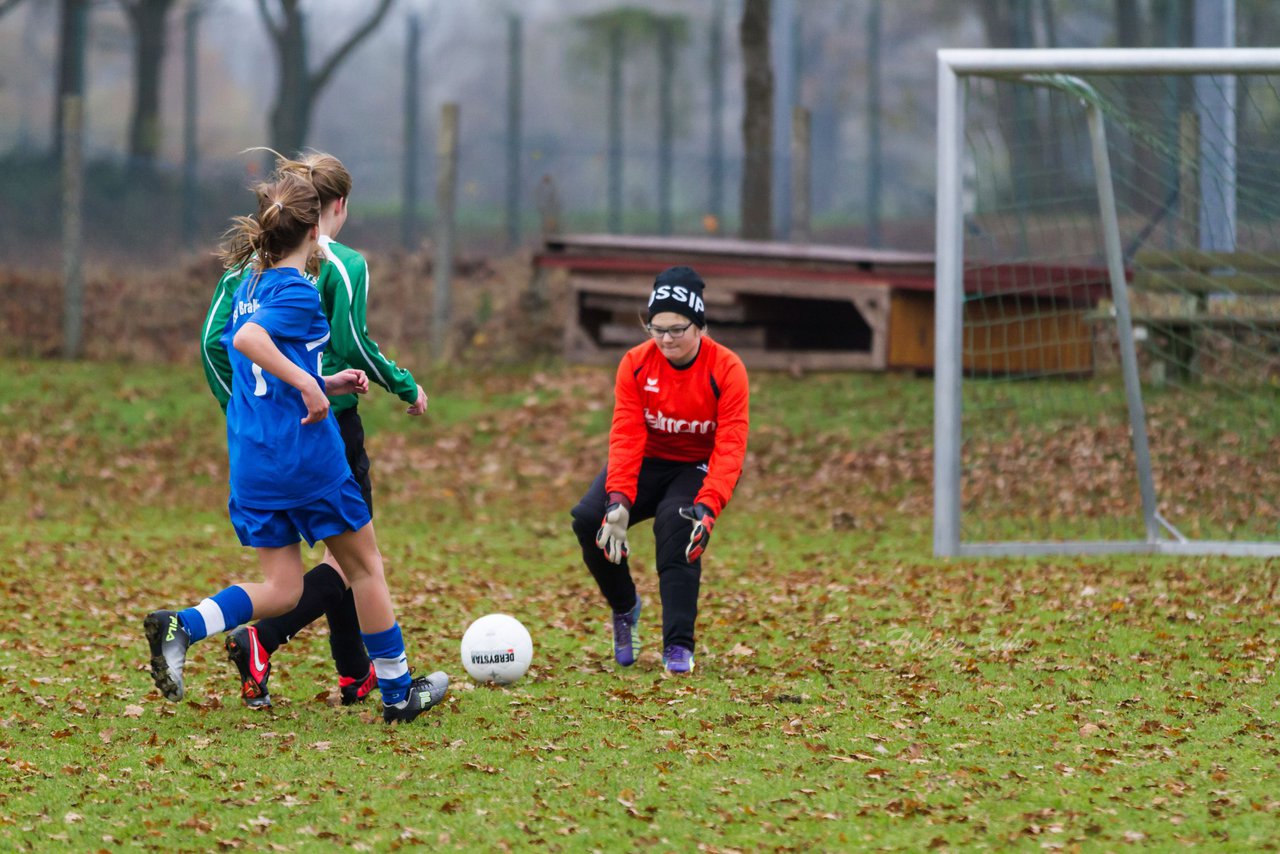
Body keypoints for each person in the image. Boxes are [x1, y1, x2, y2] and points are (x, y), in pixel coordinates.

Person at [147, 172, 447, 723]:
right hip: (305, 459)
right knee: (365, 569)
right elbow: (249, 341)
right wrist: (311, 385)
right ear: (314, 230)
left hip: (254, 461)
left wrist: (326, 379)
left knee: (282, 589)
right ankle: (400, 693)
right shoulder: (298, 291)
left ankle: (183, 625)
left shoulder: (247, 287)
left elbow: (254, 356)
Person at [570, 266, 750, 674]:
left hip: (697, 465)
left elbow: (731, 445)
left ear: (699, 325)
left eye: (676, 329)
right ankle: (625, 607)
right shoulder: (635, 364)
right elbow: (627, 435)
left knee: (676, 523)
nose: (666, 339)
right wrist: (618, 500)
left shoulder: (727, 369)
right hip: (649, 459)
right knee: (589, 519)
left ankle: (678, 646)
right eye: (656, 328)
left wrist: (709, 505)